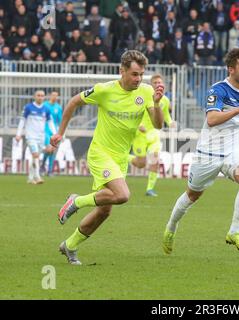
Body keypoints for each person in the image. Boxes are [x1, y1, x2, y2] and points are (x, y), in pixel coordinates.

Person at [50, 50, 164, 265]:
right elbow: (74, 102)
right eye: (134, 74)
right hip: (100, 152)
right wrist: (60, 133)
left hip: (121, 157)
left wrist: (157, 104)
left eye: (141, 74)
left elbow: (158, 125)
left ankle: (70, 245)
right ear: (121, 71)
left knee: (104, 211)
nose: (138, 79)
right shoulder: (104, 90)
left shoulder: (147, 92)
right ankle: (77, 201)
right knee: (122, 195)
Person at [163, 47, 239, 254]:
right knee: (192, 195)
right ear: (231, 69)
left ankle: (234, 231)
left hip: (234, 151)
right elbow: (212, 120)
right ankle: (171, 226)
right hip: (209, 153)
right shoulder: (218, 90)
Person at [129, 74, 176, 197]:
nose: (157, 85)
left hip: (153, 133)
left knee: (155, 160)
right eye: (155, 83)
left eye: (159, 82)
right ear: (151, 85)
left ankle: (150, 189)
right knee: (141, 164)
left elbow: (165, 115)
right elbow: (133, 113)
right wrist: (138, 125)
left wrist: (170, 122)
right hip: (140, 134)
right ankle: (125, 157)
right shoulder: (143, 97)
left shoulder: (165, 100)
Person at [16, 90, 56, 184]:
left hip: (41, 137)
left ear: (44, 97)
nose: (40, 97)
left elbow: (50, 123)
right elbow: (22, 121)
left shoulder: (46, 109)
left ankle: (30, 178)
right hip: (30, 136)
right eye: (38, 95)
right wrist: (18, 134)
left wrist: (55, 134)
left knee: (35, 157)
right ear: (34, 96)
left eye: (42, 96)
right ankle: (37, 177)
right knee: (35, 155)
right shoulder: (28, 107)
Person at [41, 91, 62, 176]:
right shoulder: (45, 105)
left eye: (56, 96)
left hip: (55, 130)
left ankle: (49, 170)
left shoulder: (58, 107)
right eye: (53, 95)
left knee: (53, 150)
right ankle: (42, 166)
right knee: (48, 149)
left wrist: (62, 133)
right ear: (50, 96)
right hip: (45, 129)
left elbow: (60, 121)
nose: (54, 97)